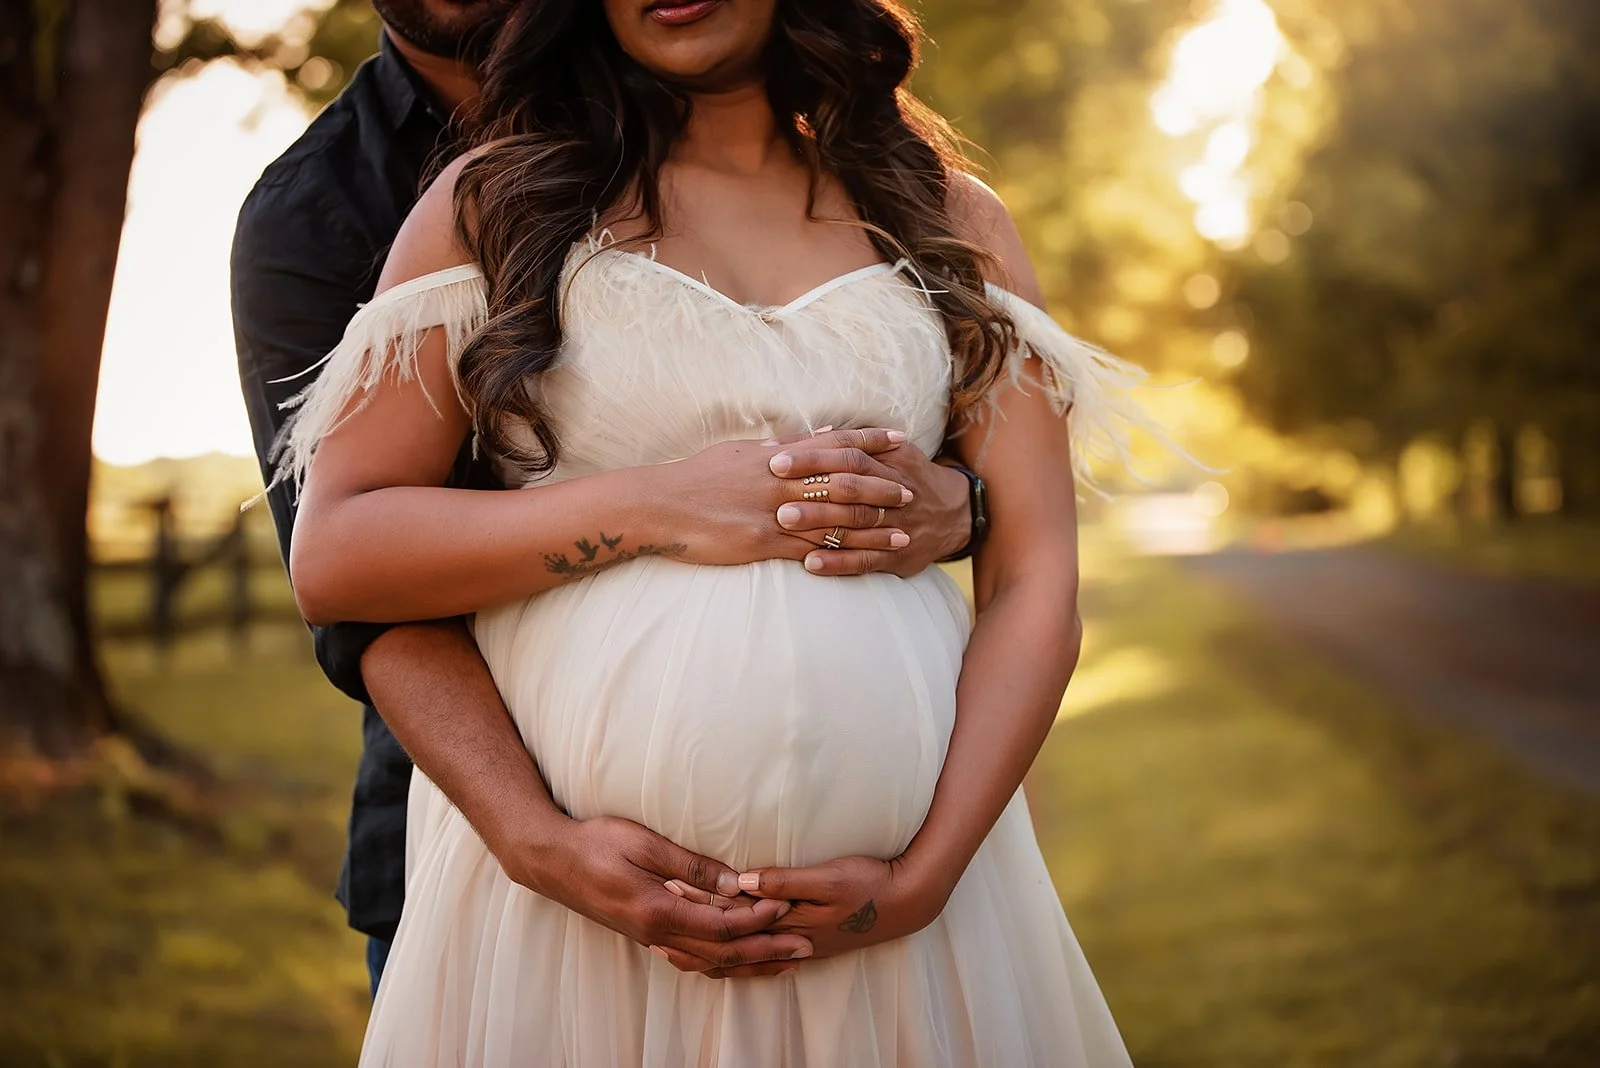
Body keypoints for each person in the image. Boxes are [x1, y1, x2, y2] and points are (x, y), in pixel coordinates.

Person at [279, 0, 1160, 1062]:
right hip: (577, 923)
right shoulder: (492, 207)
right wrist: (661, 506)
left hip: (905, 926)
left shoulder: (948, 218)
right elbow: (338, 555)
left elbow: (1035, 580)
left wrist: (924, 878)